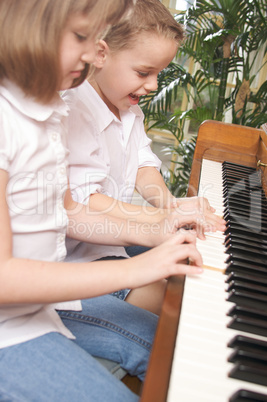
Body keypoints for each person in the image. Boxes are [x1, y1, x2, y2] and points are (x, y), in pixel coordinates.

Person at [0, 0, 204, 401]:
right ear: (25, 26)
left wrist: (158, 227)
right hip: (10, 328)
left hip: (39, 307)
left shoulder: (48, 108)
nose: (97, 53)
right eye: (82, 36)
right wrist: (141, 267)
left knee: (177, 343)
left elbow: (68, 211)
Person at [63, 0, 226, 314]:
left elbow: (143, 165)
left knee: (189, 265)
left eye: (158, 73)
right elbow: (85, 199)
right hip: (74, 259)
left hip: (109, 243)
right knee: (170, 305)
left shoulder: (129, 110)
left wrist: (170, 205)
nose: (152, 85)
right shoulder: (76, 107)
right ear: (101, 53)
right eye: (143, 72)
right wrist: (159, 220)